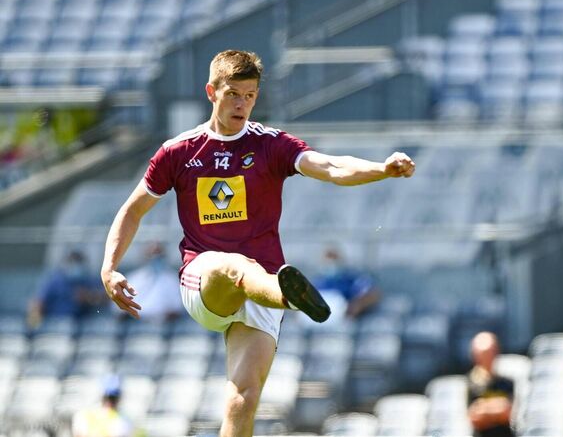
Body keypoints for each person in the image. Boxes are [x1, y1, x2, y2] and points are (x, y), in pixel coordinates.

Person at [100, 49, 415, 437]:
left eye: (249, 96)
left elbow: (331, 166)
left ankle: (283, 294)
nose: (242, 104)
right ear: (211, 92)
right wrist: (109, 268)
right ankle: (289, 297)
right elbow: (132, 210)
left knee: (242, 399)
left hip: (261, 286)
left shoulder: (270, 144)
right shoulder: (179, 151)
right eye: (233, 94)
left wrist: (382, 169)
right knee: (233, 265)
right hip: (206, 281)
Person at [27, 250, 107, 328]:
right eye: (73, 263)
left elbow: (107, 296)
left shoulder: (88, 279)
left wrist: (88, 297)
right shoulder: (55, 280)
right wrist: (35, 319)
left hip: (84, 324)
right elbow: (39, 302)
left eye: (78, 263)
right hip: (56, 323)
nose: (76, 268)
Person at [114, 242, 182, 322]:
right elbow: (119, 307)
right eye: (152, 256)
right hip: (135, 323)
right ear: (146, 257)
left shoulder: (174, 279)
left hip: (164, 324)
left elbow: (178, 308)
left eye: (158, 256)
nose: (155, 259)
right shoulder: (133, 278)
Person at [467, 331, 515, 437]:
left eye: (491, 353)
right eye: (484, 354)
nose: (488, 358)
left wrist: (484, 408)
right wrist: (498, 407)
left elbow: (508, 414)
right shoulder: (470, 384)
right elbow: (474, 418)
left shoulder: (507, 382)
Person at [315, 246, 381, 318]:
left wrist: (358, 305)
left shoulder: (350, 279)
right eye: (328, 263)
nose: (331, 266)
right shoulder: (319, 282)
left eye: (333, 262)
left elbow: (374, 294)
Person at [72, 375, 139, 437]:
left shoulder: (124, 420)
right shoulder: (84, 415)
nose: (109, 402)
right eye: (107, 397)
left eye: (113, 398)